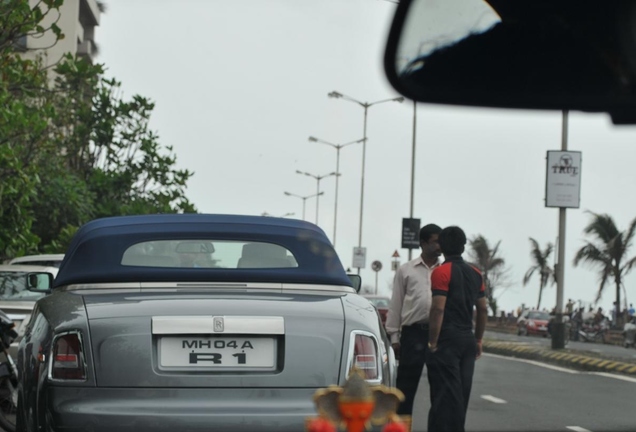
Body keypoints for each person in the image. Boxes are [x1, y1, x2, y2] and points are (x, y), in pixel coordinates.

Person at [426, 226, 488, 432]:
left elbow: (437, 309)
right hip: (467, 341)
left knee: (444, 396)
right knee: (461, 395)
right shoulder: (476, 273)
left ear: (442, 246)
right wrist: (478, 340)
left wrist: (432, 342)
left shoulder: (441, 272)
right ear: (463, 246)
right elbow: (482, 309)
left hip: (446, 341)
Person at [385, 223, 442, 416]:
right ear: (423, 243)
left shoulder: (445, 271)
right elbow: (396, 305)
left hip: (439, 334)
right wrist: (394, 338)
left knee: (440, 388)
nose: (439, 246)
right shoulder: (406, 270)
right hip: (413, 334)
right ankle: (400, 427)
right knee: (405, 390)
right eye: (435, 242)